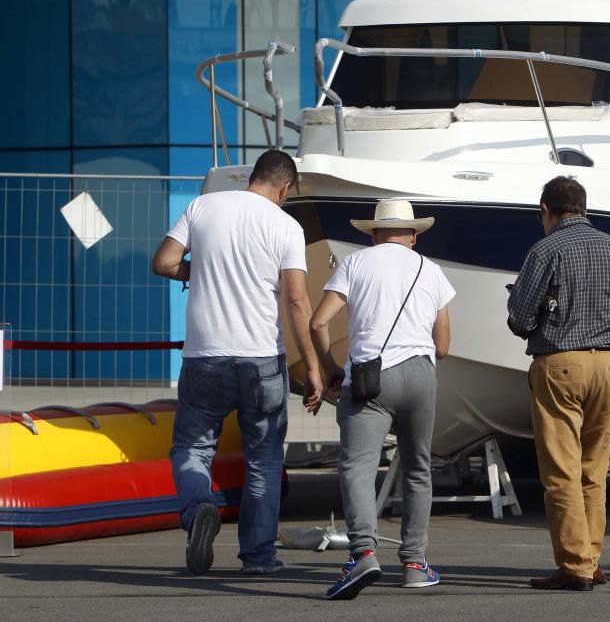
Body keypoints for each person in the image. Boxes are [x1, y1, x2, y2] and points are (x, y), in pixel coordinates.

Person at [151, 149, 324, 576]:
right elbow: (297, 300)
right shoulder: (286, 225)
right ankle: (259, 558)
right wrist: (314, 366)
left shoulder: (202, 206)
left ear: (254, 176)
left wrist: (201, 271)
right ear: (284, 187)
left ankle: (198, 510)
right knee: (264, 459)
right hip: (262, 359)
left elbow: (164, 262)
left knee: (192, 448)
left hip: (204, 357)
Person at [309, 199, 455, 601]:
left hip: (370, 378)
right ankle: (414, 564)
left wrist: (329, 366)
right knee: (417, 469)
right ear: (413, 235)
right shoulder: (432, 270)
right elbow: (442, 346)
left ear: (372, 233)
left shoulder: (357, 263)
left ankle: (363, 554)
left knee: (357, 466)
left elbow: (318, 321)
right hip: (421, 375)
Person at [507, 176, 610, 592]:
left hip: (561, 363)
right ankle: (591, 558)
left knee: (561, 471)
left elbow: (521, 319)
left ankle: (575, 565)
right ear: (583, 207)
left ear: (546, 210)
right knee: (593, 469)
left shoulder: (545, 249)